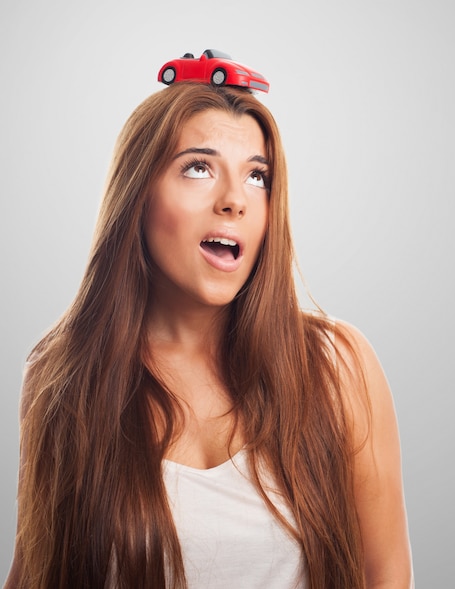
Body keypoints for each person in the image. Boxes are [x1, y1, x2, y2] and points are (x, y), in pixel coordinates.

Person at [5, 75, 413, 588]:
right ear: (138, 196)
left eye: (257, 177)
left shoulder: (338, 366)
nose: (234, 200)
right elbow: (35, 572)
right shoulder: (62, 377)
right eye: (199, 168)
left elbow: (387, 576)